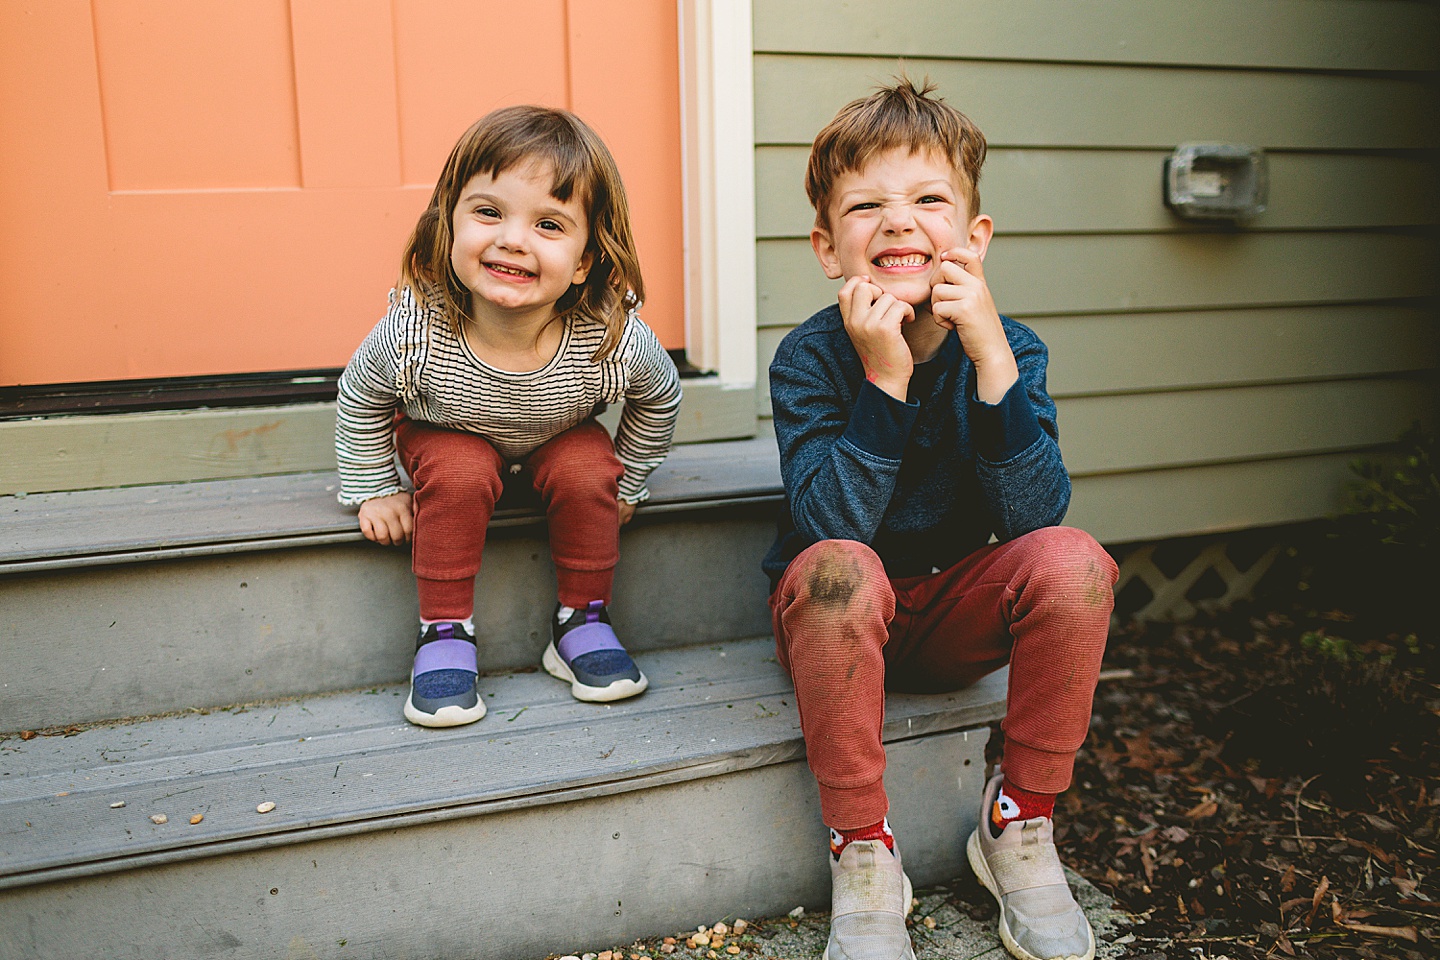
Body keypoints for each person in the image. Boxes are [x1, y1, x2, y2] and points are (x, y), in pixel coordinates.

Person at [763, 77, 1118, 960]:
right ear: (826, 247)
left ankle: (1019, 824)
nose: (898, 221)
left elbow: (1034, 517)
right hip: (836, 614)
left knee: (1074, 560)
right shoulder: (809, 358)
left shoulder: (1011, 348)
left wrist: (990, 357)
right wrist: (885, 381)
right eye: (865, 206)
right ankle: (864, 850)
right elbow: (826, 526)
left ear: (975, 236)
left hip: (955, 612)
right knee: (841, 565)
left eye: (929, 199)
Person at [336, 105, 681, 728]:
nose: (512, 239)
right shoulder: (416, 330)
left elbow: (660, 398)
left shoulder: (612, 338)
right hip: (447, 430)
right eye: (489, 212)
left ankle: (582, 618)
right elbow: (361, 396)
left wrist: (629, 479)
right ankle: (444, 630)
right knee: (462, 466)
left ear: (583, 262)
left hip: (556, 431)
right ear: (449, 226)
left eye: (549, 224)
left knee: (587, 465)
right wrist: (374, 488)